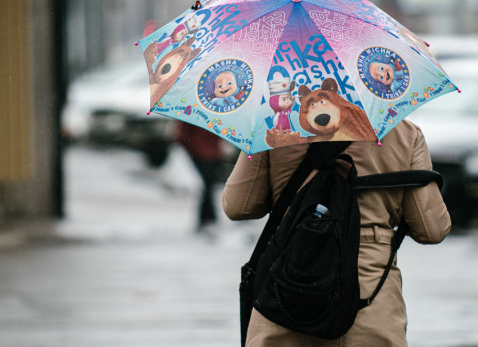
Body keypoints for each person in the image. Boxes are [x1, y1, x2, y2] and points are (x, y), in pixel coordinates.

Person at [222, 120, 451, 346]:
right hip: (370, 297)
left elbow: (239, 206)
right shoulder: (404, 133)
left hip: (287, 289)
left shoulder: (274, 126)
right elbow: (431, 229)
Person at [175, 122, 226, 231]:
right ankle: (208, 218)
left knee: (207, 187)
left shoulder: (196, 112)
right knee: (207, 187)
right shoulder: (218, 113)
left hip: (201, 152)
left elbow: (181, 135)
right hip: (210, 153)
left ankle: (207, 218)